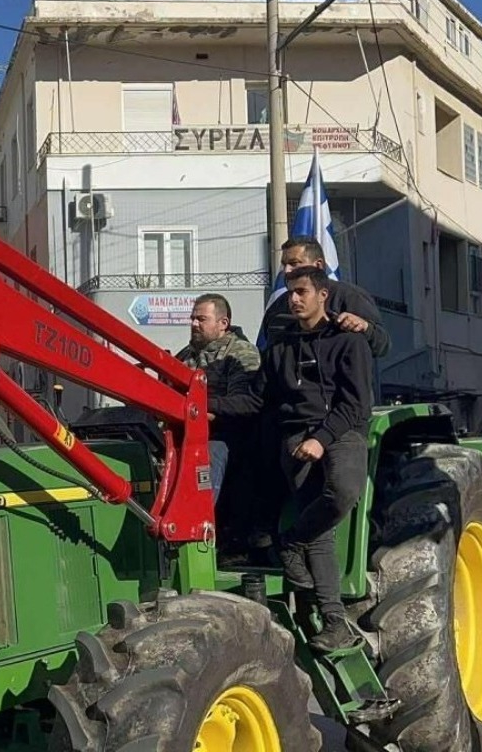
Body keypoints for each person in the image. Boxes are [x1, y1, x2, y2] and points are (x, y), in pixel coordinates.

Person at [210, 266, 373, 653]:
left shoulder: (348, 342)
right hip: (296, 437)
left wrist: (322, 438)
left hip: (343, 431)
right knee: (321, 533)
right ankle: (333, 621)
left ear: (322, 296)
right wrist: (205, 405)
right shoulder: (279, 348)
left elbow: (357, 404)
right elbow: (255, 400)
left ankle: (290, 541)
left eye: (301, 291)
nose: (294, 299)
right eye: (289, 293)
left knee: (343, 492)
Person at [175, 293, 260, 502]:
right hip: (185, 428)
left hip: (225, 435)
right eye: (193, 319)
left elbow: (242, 403)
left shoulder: (240, 353)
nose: (194, 324)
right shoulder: (185, 355)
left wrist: (202, 412)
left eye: (201, 319)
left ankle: (199, 521)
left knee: (207, 457)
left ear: (223, 323)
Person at [259, 236, 391, 359]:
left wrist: (365, 327)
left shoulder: (348, 296)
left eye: (294, 263)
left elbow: (382, 345)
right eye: (284, 264)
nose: (287, 270)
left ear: (318, 265)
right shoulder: (278, 306)